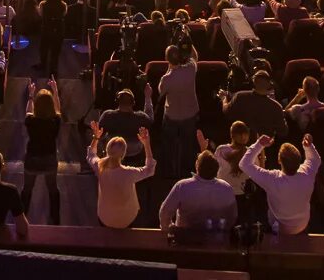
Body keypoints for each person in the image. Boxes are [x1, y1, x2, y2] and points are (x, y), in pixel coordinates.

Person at [241, 132, 320, 235]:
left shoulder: (272, 179)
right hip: (302, 225)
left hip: (278, 227)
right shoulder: (308, 173)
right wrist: (309, 147)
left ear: (279, 160)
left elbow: (244, 164)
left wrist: (259, 144)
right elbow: (315, 159)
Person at [87, 122, 155, 229]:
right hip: (127, 219)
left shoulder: (99, 167)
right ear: (123, 154)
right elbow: (150, 169)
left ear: (107, 150)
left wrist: (96, 137)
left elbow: (91, 155)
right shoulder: (129, 173)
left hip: (105, 218)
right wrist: (146, 144)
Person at [158, 150, 238, 232]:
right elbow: (232, 216)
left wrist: (169, 229)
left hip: (185, 240)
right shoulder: (226, 188)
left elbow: (165, 212)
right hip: (215, 239)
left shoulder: (182, 186)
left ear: (197, 166)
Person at [21, 79, 62, 225]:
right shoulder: (55, 121)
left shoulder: (31, 121)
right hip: (49, 159)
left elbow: (28, 111)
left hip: (32, 159)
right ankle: (55, 219)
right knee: (53, 189)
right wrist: (55, 91)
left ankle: (21, 217)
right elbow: (58, 110)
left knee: (27, 189)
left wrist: (31, 95)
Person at [158, 44, 199, 178]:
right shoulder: (191, 69)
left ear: (167, 59)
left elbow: (160, 92)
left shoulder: (166, 79)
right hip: (190, 114)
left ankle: (169, 170)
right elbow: (194, 57)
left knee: (169, 143)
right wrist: (189, 42)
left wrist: (169, 69)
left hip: (172, 116)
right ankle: (188, 170)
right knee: (188, 143)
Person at [221, 69, 287, 141]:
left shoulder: (240, 96)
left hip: (241, 143)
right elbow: (283, 132)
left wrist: (223, 98)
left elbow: (226, 112)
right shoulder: (276, 107)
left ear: (253, 82)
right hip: (264, 148)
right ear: (269, 84)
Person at [37, 0, 67, 76]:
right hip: (58, 30)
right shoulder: (63, 5)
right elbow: (64, 15)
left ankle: (43, 64)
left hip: (46, 29)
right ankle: (53, 68)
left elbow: (41, 15)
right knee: (56, 50)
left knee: (44, 48)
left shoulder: (43, 5)